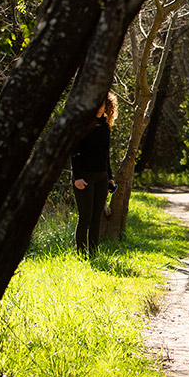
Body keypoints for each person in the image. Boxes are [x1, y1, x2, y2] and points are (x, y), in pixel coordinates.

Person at [72, 92, 117, 255]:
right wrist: (77, 177)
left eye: (102, 103)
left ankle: (94, 253)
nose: (99, 106)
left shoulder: (105, 126)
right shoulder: (83, 125)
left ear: (106, 105)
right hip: (84, 176)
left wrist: (110, 178)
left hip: (101, 176)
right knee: (85, 216)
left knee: (97, 217)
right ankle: (81, 254)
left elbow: (105, 154)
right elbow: (74, 152)